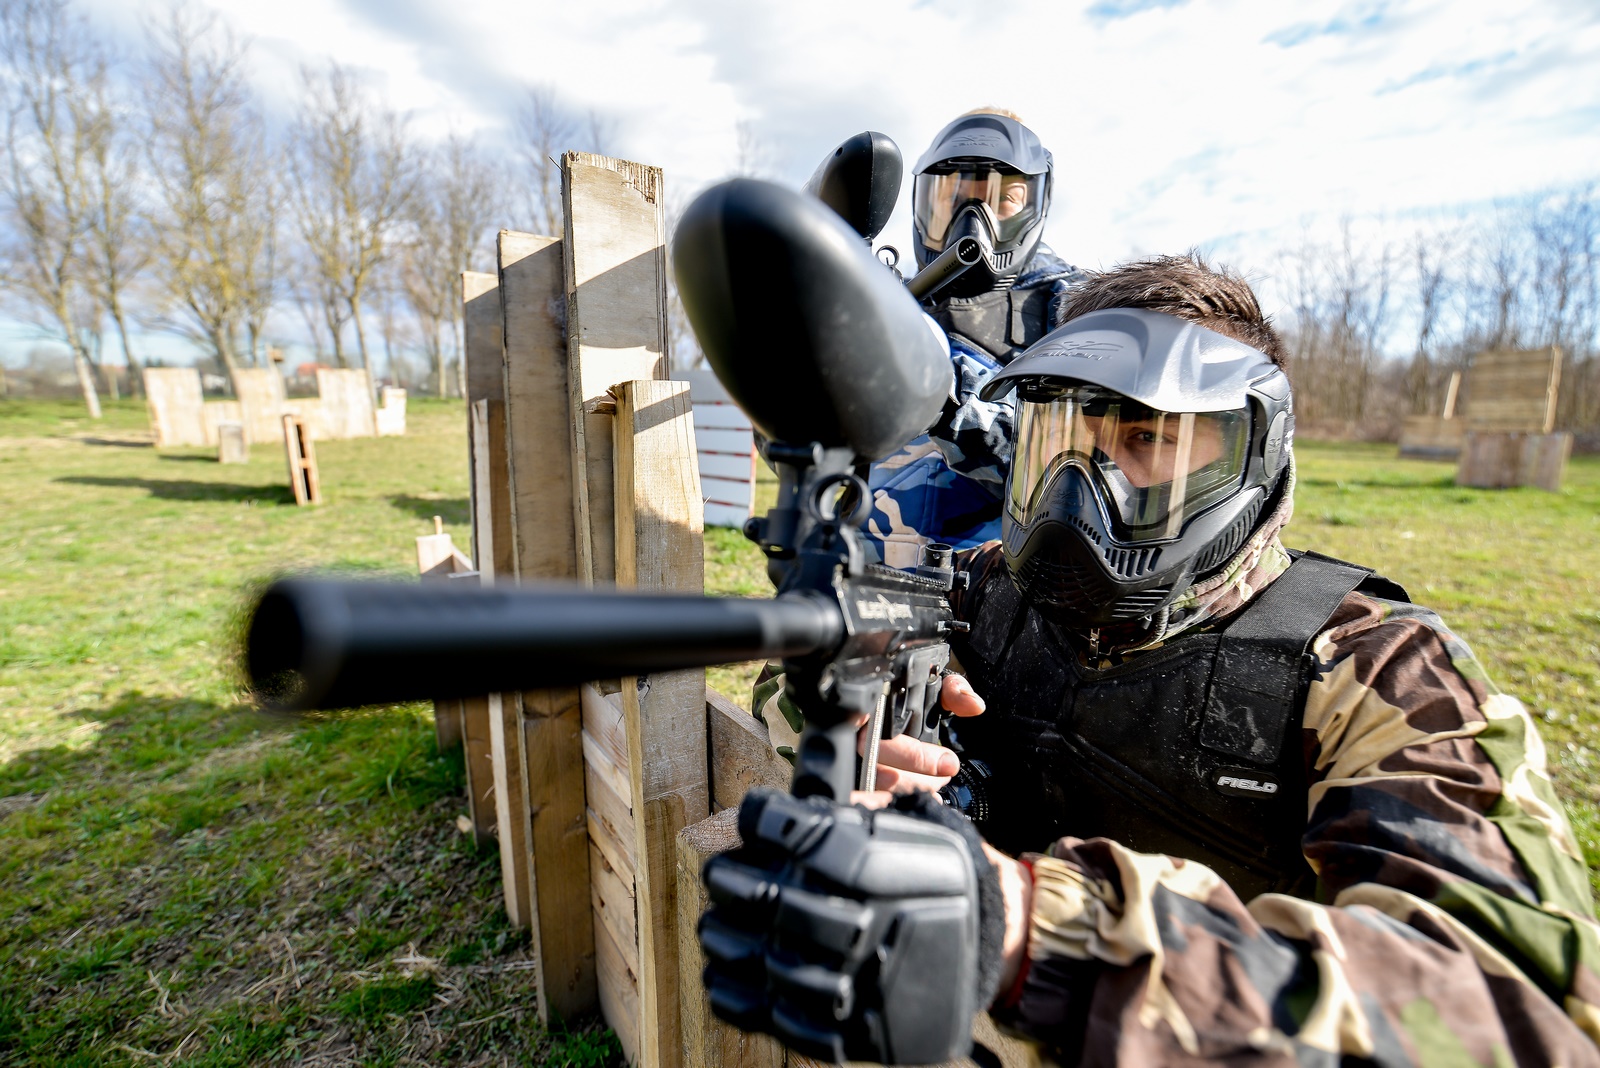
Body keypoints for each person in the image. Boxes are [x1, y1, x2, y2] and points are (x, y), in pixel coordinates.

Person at [723, 254, 1600, 1065]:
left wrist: (1037, 932)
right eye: (1060, 440)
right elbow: (803, 671)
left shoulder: (1379, 669)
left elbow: (1525, 1013)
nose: (1079, 492)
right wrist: (856, 723)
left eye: (1145, 441)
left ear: (1251, 453)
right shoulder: (982, 586)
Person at [863, 108, 1087, 569]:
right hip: (858, 585)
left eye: (1002, 198)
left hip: (991, 605)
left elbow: (1075, 474)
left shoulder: (1078, 314)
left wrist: (939, 390)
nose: (973, 217)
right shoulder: (890, 301)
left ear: (1034, 205)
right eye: (954, 197)